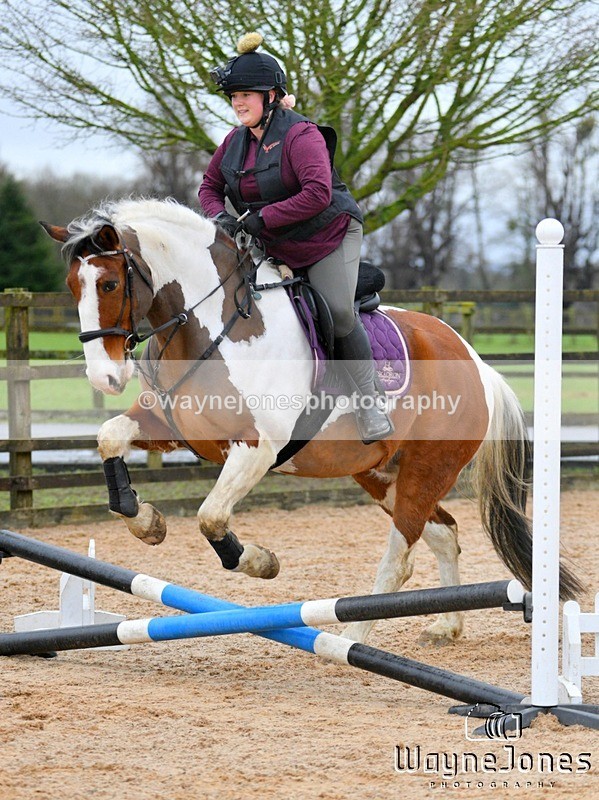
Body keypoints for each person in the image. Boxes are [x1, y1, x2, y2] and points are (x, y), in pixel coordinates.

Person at [198, 32, 394, 444]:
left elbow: (317, 194)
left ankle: (370, 402)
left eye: (246, 95)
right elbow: (209, 187)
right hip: (274, 242)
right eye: (233, 96)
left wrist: (260, 218)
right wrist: (221, 218)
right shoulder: (234, 143)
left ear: (271, 96)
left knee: (338, 311)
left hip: (328, 234)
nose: (238, 104)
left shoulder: (301, 135)